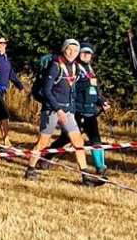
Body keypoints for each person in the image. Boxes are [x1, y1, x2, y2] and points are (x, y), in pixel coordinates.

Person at [24, 39, 104, 186]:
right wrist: (58, 109)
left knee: (78, 141)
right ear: (64, 49)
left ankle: (85, 176)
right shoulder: (55, 66)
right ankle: (30, 168)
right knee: (43, 142)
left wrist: (98, 99)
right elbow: (47, 91)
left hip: (67, 110)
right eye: (69, 49)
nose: (72, 53)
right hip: (51, 110)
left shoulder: (75, 67)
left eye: (75, 50)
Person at [47, 42, 109, 173]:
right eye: (84, 53)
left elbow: (94, 91)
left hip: (90, 111)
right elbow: (73, 88)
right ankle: (46, 157)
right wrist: (86, 83)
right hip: (77, 110)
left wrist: (101, 101)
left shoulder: (90, 69)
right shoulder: (75, 68)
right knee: (65, 139)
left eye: (89, 53)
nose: (86, 55)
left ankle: (100, 167)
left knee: (95, 138)